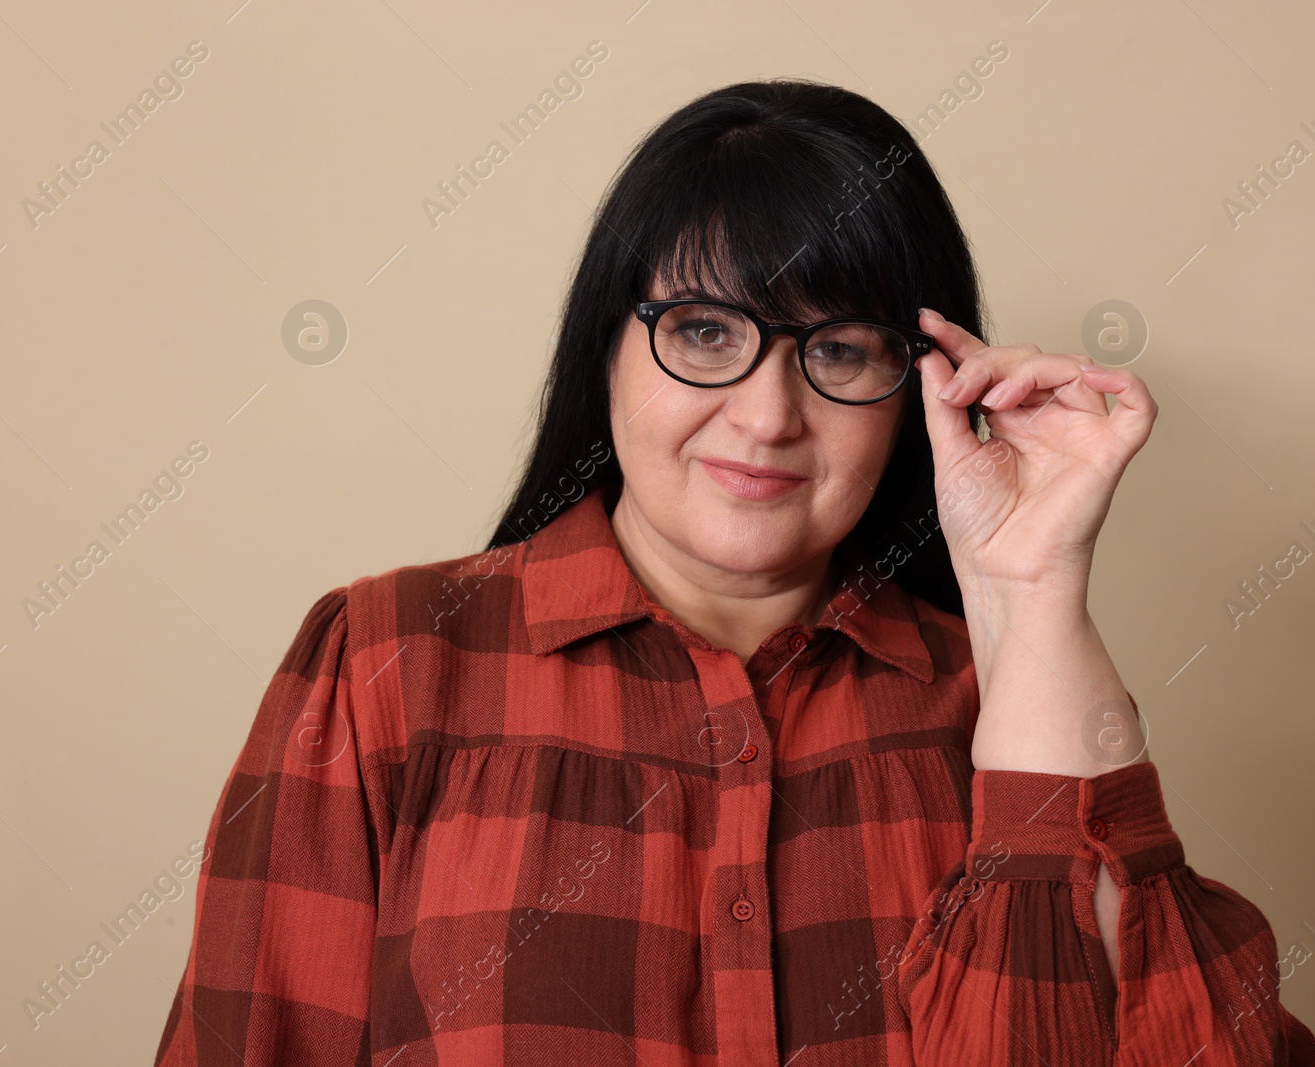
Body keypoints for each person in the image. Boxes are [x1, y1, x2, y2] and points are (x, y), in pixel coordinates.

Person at [153, 79, 1315, 1065]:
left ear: (923, 384)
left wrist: (1031, 584)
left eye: (839, 349)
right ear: (606, 344)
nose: (766, 416)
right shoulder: (385, 663)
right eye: (706, 330)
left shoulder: (1006, 704)